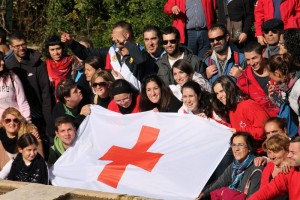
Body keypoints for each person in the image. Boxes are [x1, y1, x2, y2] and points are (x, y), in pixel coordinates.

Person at [61, 20, 150, 90]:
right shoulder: (110, 51)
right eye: (113, 35)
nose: (113, 38)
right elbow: (86, 54)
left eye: (116, 35)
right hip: (114, 100)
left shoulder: (139, 51)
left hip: (136, 100)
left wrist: (125, 42)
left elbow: (141, 60)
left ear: (126, 35)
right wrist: (72, 43)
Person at [5, 31, 51, 137]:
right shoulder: (8, 65)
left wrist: (47, 120)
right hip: (18, 114)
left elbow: (46, 93)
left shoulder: (38, 63)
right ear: (11, 47)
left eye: (23, 44)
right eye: (17, 46)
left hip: (39, 112)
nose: (21, 48)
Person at [212, 75, 269, 154]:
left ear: (230, 89)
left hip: (261, 153)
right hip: (246, 153)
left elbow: (262, 131)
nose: (219, 96)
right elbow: (234, 129)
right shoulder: (232, 109)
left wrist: (239, 132)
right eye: (217, 93)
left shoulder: (248, 105)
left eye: (222, 91)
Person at [197, 132, 263, 199]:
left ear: (249, 148)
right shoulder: (234, 165)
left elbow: (253, 197)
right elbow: (220, 183)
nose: (236, 149)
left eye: (241, 145)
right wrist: (204, 194)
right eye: (234, 145)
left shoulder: (256, 167)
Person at [237, 41, 279, 117]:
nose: (252, 63)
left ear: (263, 53)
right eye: (248, 60)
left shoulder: (277, 69)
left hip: (283, 117)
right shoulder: (243, 80)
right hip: (261, 121)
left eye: (254, 58)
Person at [47, 79, 90, 145]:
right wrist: (82, 116)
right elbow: (69, 129)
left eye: (77, 88)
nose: (79, 90)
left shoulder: (82, 94)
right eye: (75, 91)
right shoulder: (60, 113)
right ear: (67, 98)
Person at [268, 53, 300, 136]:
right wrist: (275, 96)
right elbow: (286, 105)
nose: (273, 81)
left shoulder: (297, 87)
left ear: (277, 73)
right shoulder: (286, 86)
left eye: (271, 76)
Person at [0, 51, 30, 121]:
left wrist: (28, 122)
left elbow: (22, 102)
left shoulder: (12, 77)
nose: (3, 62)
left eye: (2, 59)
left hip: (14, 122)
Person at [260, 134, 290, 200]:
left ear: (287, 150)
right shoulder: (269, 167)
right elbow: (262, 191)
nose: (272, 156)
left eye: (276, 151)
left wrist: (291, 161)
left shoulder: (293, 167)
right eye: (269, 152)